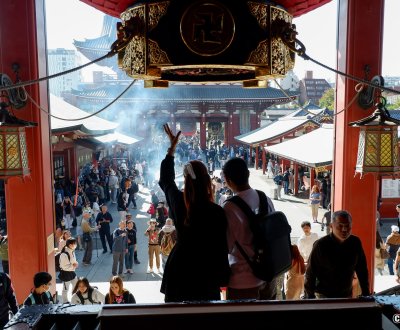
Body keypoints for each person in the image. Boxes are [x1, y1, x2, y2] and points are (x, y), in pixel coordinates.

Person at [158, 124, 230, 302]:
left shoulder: (179, 202)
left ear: (186, 180)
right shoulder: (217, 211)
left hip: (179, 267)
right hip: (206, 270)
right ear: (207, 180)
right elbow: (222, 247)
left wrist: (171, 150)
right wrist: (223, 278)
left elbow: (166, 180)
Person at [222, 157, 276, 300]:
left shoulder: (229, 207)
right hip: (268, 274)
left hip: (242, 281)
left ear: (227, 180)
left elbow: (225, 246)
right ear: (248, 174)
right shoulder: (265, 198)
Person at [304, 210, 370, 298]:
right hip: (324, 295)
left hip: (346, 294)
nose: (344, 229)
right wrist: (310, 298)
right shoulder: (321, 245)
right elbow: (310, 273)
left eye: (347, 226)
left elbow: (362, 270)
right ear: (331, 226)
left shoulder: (355, 242)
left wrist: (366, 293)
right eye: (340, 225)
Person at [59, 237, 79, 303]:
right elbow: (64, 266)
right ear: (70, 245)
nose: (75, 245)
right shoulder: (64, 254)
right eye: (74, 244)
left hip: (72, 272)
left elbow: (73, 261)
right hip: (66, 273)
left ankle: (75, 299)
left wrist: (75, 264)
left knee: (76, 286)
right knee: (65, 289)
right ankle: (65, 301)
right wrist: (73, 266)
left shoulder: (72, 251)